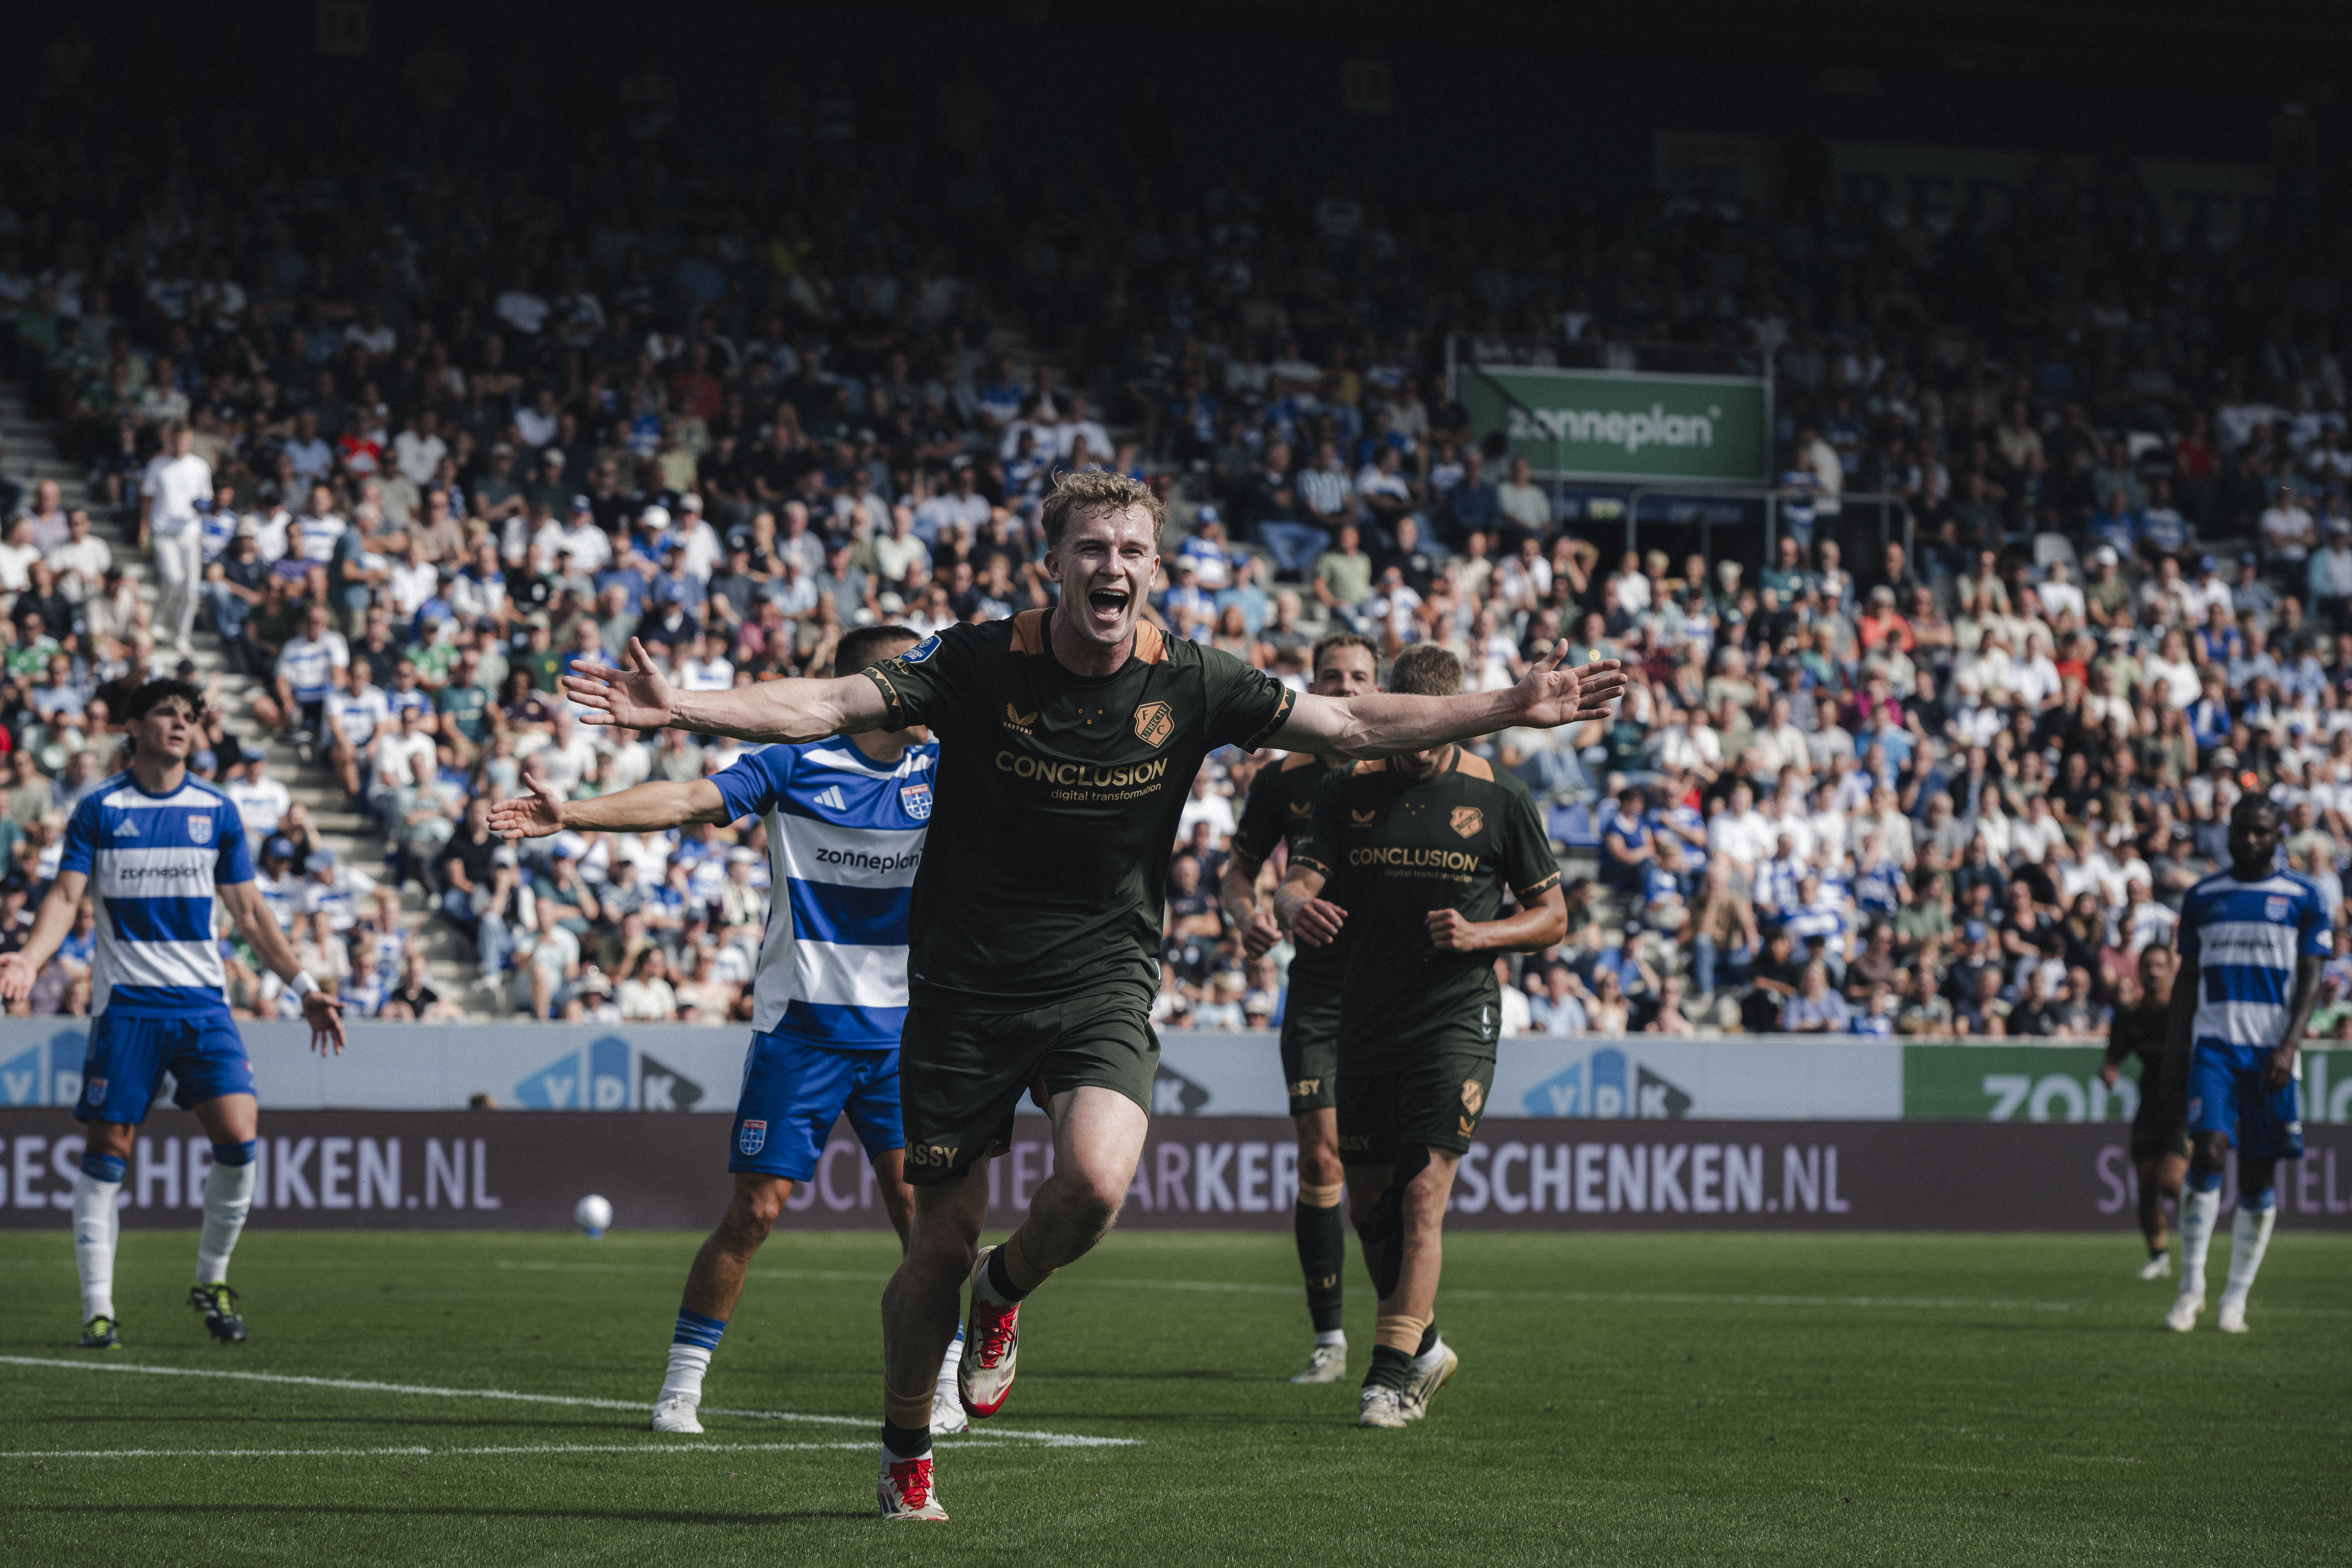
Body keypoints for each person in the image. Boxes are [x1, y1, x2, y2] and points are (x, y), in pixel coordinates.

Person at [555, 470, 1623, 1519]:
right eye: (1091, 550)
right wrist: (684, 706)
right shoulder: (976, 662)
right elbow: (830, 701)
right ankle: (903, 1454)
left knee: (1097, 1186)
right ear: (1055, 564)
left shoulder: (1194, 678)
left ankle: (1003, 1292)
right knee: (930, 1244)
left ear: (1153, 569)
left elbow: (1347, 728)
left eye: (1130, 552)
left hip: (1102, 975)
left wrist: (1506, 706)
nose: (1111, 568)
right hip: (964, 988)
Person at [494, 624, 968, 1438]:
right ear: (880, 687)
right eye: (918, 678)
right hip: (803, 1036)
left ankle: (949, 1381)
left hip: (903, 1040)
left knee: (923, 1218)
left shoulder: (948, 771)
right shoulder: (794, 763)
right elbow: (685, 800)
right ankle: (681, 1387)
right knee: (754, 1213)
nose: (934, 692)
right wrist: (572, 812)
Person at [0, 679, 346, 1349]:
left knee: (240, 1137)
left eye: (190, 716)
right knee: (110, 1151)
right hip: (127, 1008)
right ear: (134, 727)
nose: (182, 724)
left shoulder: (216, 810)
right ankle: (98, 1307)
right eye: (167, 713)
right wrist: (29, 960)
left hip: (202, 1005)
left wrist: (304, 984)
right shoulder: (100, 810)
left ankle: (210, 1277)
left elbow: (249, 911)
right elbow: (67, 897)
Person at [1273, 644, 1566, 1429]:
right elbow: (1299, 877)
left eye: (1428, 732)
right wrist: (1290, 902)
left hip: (1454, 1016)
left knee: (1422, 1193)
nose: (1414, 746)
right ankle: (1424, 1341)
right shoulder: (1345, 790)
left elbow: (1554, 917)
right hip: (1365, 1016)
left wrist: (1484, 936)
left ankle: (1390, 1379)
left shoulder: (1498, 798)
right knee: (1368, 1205)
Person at [1216, 631, 1379, 1384]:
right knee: (1321, 1156)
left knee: (1387, 1170)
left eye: (1357, 677)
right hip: (1316, 992)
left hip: (1396, 991)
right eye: (1330, 677)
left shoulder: (1405, 770)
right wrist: (1245, 914)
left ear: (1379, 688)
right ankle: (1329, 1340)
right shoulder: (1282, 781)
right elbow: (1238, 873)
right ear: (1311, 688)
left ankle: (1408, 1327)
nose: (1344, 688)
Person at [2161, 795, 2325, 1335]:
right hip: (2216, 1047)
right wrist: (2175, 1048)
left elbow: (2310, 978)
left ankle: (2235, 1299)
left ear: (2278, 835)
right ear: (2228, 833)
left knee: (2257, 1173)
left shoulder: (2303, 895)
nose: (2250, 841)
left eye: (2260, 832)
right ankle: (2190, 1291)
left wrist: (2288, 1047)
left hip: (2272, 1052)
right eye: (2241, 831)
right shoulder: (2203, 896)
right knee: (2207, 1152)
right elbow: (2186, 981)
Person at [2103, 945, 2191, 1280]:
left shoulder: (2185, 1012)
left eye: (2159, 965)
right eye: (2147, 966)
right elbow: (2114, 1055)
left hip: (2182, 1107)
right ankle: (2158, 1257)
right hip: (2149, 1107)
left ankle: (2200, 1219)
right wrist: (2109, 1070)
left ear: (2170, 969)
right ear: (2138, 971)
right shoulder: (2131, 1015)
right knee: (2146, 1190)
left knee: (2171, 1182)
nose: (2153, 972)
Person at [140, 422, 211, 654]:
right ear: (170, 440)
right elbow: (147, 497)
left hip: (189, 533)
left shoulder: (200, 467)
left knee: (191, 589)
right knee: (173, 577)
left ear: (190, 441)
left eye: (186, 440)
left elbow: (206, 501)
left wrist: (202, 523)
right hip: (162, 531)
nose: (181, 445)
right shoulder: (157, 465)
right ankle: (159, 623)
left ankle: (182, 635)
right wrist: (144, 529)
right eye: (178, 440)